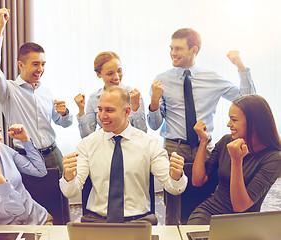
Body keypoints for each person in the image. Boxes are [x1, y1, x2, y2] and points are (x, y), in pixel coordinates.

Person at [147, 28, 256, 225]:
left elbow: (247, 99)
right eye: (171, 48)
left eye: (178, 48)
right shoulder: (161, 79)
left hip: (204, 149)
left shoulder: (211, 78)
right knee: (173, 204)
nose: (173, 53)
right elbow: (154, 125)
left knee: (204, 201)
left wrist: (240, 66)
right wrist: (154, 102)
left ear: (194, 49)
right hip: (174, 148)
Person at [60, 86, 187, 225]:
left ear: (127, 111)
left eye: (109, 110)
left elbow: (174, 189)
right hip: (97, 221)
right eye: (100, 109)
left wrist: (176, 177)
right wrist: (69, 177)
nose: (102, 116)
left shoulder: (149, 143)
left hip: (138, 221)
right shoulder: (87, 144)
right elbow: (70, 192)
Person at [0, 8, 73, 173]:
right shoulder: (8, 90)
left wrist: (65, 113)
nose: (40, 69)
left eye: (43, 64)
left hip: (53, 154)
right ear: (21, 65)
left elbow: (65, 123)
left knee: (61, 198)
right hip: (25, 157)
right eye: (35, 64)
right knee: (27, 199)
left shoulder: (46, 91)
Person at [187, 94, 281, 225]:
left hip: (244, 221)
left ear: (253, 123)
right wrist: (203, 141)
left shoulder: (273, 158)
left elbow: (240, 206)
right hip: (211, 211)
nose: (228, 124)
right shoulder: (226, 141)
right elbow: (198, 181)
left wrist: (236, 160)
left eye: (234, 120)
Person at [74, 51, 147, 138]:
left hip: (132, 147)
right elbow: (87, 137)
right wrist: (81, 111)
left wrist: (136, 108)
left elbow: (143, 133)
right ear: (98, 75)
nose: (116, 77)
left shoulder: (134, 95)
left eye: (119, 71)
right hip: (105, 147)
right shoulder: (94, 98)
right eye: (110, 73)